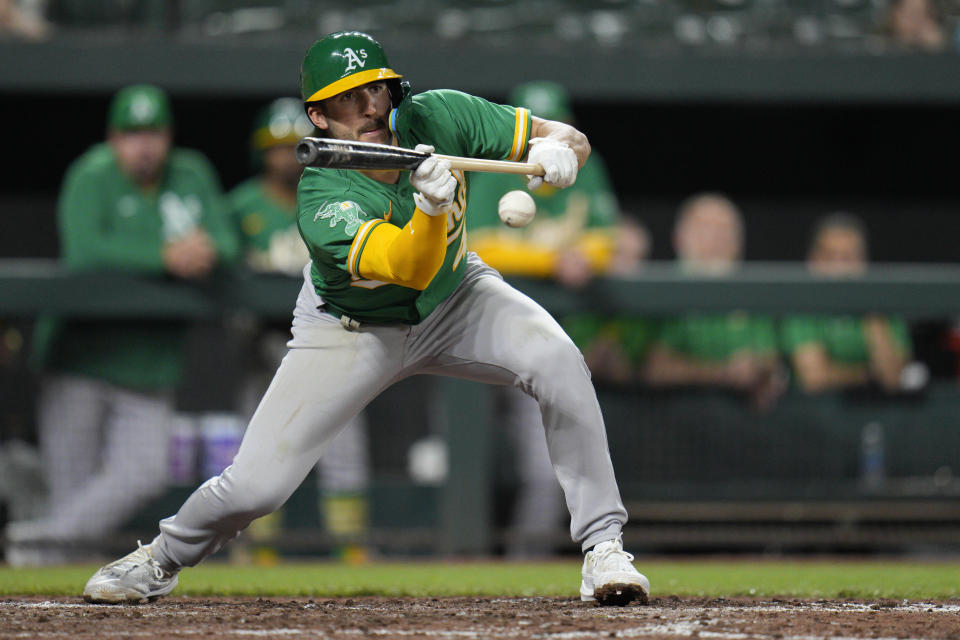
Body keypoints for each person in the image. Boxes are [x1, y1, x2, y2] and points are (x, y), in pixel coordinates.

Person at [82, 31, 649, 607]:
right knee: (256, 487)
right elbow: (405, 266)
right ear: (319, 116)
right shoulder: (321, 192)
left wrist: (558, 151)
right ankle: (161, 557)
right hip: (350, 328)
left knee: (557, 358)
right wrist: (429, 207)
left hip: (458, 295)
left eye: (378, 90)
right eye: (349, 98)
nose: (371, 107)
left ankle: (604, 547)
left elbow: (566, 135)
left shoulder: (441, 114)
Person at [6, 85, 238, 564]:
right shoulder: (91, 174)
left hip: (151, 362)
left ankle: (31, 545)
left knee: (146, 472)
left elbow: (227, 243)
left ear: (168, 135)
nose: (143, 145)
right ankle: (66, 607)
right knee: (72, 486)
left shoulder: (191, 173)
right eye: (131, 134)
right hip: (80, 359)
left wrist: (206, 251)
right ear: (113, 138)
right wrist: (165, 256)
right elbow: (85, 252)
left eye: (152, 132)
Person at [466, 81, 653, 556]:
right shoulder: (496, 168)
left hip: (556, 339)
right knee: (465, 459)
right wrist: (552, 261)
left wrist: (586, 254)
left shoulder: (586, 173)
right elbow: (476, 245)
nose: (544, 150)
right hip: (478, 330)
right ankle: (462, 555)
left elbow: (608, 237)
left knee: (542, 467)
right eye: (536, 138)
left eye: (553, 139)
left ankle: (524, 563)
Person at [229, 97, 371, 561]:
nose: (286, 156)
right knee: (265, 445)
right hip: (263, 344)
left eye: (295, 145)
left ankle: (351, 550)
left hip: (333, 335)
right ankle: (260, 552)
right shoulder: (242, 205)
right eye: (276, 147)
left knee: (343, 444)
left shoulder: (340, 193)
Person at [642, 193, 784, 411]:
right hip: (672, 410)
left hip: (741, 410)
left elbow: (770, 359)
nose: (715, 240)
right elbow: (653, 368)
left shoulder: (751, 291)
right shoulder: (661, 288)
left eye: (725, 231)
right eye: (704, 229)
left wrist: (757, 368)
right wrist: (722, 372)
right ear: (678, 238)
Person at [781, 213, 911, 394]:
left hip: (880, 412)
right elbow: (815, 379)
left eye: (848, 258)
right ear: (812, 260)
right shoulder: (802, 309)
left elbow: (894, 377)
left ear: (864, 263)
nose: (838, 268)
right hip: (817, 414)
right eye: (829, 257)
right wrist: (869, 375)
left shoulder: (882, 309)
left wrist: (870, 314)